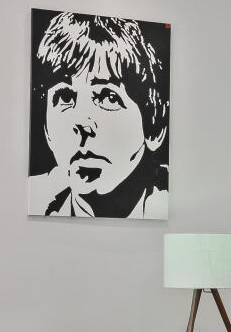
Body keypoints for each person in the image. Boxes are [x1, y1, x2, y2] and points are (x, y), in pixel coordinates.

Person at [29, 12, 169, 217]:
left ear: (154, 127)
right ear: (46, 130)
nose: (82, 124)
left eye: (108, 98)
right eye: (66, 97)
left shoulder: (179, 203)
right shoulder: (34, 199)